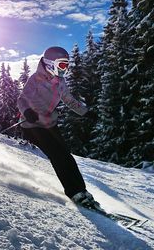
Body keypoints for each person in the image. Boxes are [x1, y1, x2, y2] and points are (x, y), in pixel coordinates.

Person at [17, 46, 98, 209]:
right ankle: (74, 192)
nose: (65, 69)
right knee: (57, 155)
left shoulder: (61, 82)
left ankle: (82, 191)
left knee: (66, 155)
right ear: (49, 63)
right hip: (32, 124)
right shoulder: (35, 79)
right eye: (62, 65)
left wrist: (85, 112)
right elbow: (22, 99)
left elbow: (69, 100)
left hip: (49, 123)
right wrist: (27, 111)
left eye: (66, 65)